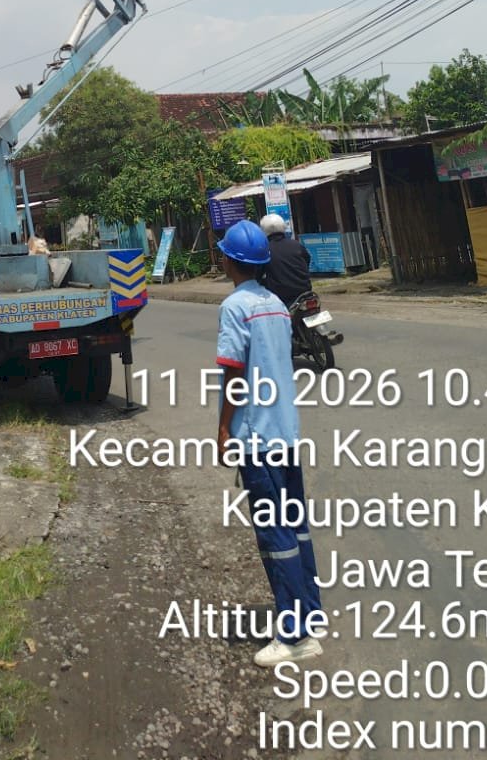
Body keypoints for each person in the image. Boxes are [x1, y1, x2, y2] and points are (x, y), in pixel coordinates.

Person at [215, 219, 325, 668]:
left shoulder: (234, 307)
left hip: (256, 437)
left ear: (231, 261)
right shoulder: (277, 305)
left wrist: (224, 429)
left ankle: (295, 635)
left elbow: (234, 372)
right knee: (297, 527)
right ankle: (311, 614)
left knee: (275, 534)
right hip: (285, 432)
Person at [259, 211, 313, 310]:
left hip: (282, 297)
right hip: (306, 293)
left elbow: (258, 273)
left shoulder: (265, 250)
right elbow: (307, 260)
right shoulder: (296, 245)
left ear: (263, 231)